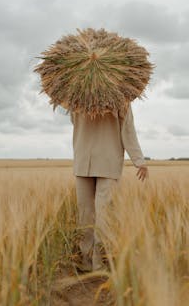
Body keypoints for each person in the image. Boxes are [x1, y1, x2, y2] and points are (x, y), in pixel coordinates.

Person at [70, 101, 149, 272]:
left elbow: (127, 129)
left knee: (94, 215)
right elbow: (128, 130)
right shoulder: (77, 97)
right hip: (91, 161)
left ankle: (96, 263)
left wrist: (139, 160)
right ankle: (88, 261)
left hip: (98, 161)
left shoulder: (77, 96)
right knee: (90, 215)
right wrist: (139, 161)